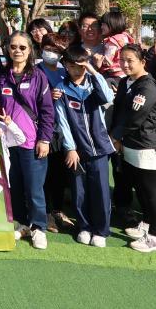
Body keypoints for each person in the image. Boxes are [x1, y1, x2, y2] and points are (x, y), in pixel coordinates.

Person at [0, 31, 55, 250]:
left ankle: (39, 227)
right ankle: (21, 224)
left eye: (22, 47)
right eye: (13, 47)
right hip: (9, 144)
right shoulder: (2, 77)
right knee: (15, 186)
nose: (17, 51)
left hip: (32, 142)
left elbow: (47, 111)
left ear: (30, 50)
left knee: (34, 189)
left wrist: (45, 139)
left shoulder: (38, 76)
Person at [54, 43, 115, 247]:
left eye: (80, 65)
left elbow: (107, 98)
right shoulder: (61, 89)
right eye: (71, 65)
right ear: (65, 65)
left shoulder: (94, 83)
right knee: (79, 191)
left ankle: (101, 230)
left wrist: (92, 70)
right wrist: (70, 148)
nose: (76, 69)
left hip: (100, 147)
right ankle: (84, 227)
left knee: (100, 191)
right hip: (77, 151)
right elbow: (62, 121)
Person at [110, 44, 156, 253]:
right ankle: (146, 223)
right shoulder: (126, 81)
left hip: (146, 144)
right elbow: (120, 111)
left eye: (130, 60)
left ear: (143, 62)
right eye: (121, 60)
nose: (125, 64)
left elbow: (135, 118)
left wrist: (115, 136)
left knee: (150, 190)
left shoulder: (148, 87)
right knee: (140, 188)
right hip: (131, 143)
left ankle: (155, 236)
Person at [38, 32, 73, 232]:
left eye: (56, 50)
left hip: (63, 129)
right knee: (45, 173)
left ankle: (58, 209)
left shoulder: (65, 70)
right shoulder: (36, 71)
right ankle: (46, 212)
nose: (51, 53)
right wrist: (47, 96)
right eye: (48, 49)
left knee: (60, 174)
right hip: (44, 128)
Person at [93, 10, 133, 83]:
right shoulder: (125, 36)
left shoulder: (112, 41)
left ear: (113, 24)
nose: (101, 27)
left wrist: (95, 57)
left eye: (104, 25)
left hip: (113, 74)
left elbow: (107, 61)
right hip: (124, 72)